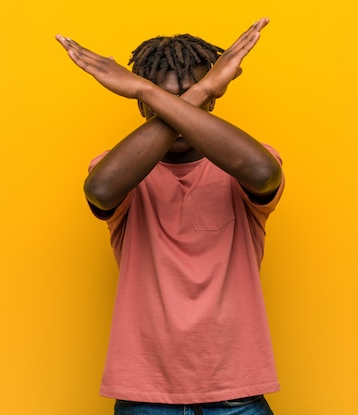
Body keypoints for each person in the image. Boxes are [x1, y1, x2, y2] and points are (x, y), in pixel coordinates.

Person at [56, 17, 284, 415]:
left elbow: (265, 175)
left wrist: (148, 89)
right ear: (141, 104)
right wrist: (200, 89)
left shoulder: (243, 164)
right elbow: (101, 190)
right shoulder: (121, 169)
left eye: (193, 94)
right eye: (158, 96)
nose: (176, 105)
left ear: (213, 101)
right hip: (145, 393)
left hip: (236, 389)